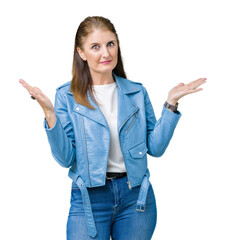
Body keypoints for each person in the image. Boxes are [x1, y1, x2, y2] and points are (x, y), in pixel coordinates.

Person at [19, 16, 207, 240]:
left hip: (136, 198)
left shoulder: (136, 92)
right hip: (89, 199)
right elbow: (65, 159)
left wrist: (171, 104)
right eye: (95, 47)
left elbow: (155, 148)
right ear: (81, 53)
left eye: (110, 44)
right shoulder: (66, 96)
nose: (105, 53)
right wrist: (50, 115)